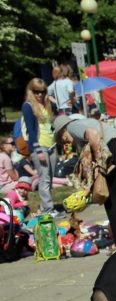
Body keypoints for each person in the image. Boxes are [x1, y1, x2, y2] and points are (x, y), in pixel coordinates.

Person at [54, 113, 116, 251]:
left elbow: (92, 134)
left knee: (111, 201)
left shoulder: (73, 126)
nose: (66, 142)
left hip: (111, 151)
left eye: (63, 139)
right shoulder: (87, 121)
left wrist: (100, 164)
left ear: (63, 131)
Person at [21, 78, 57, 215]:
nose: (40, 95)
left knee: (50, 178)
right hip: (39, 146)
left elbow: (52, 122)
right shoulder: (28, 106)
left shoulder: (47, 104)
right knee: (44, 178)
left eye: (42, 91)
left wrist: (55, 103)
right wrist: (37, 150)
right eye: (36, 92)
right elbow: (30, 130)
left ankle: (44, 207)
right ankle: (48, 209)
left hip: (51, 144)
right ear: (31, 91)